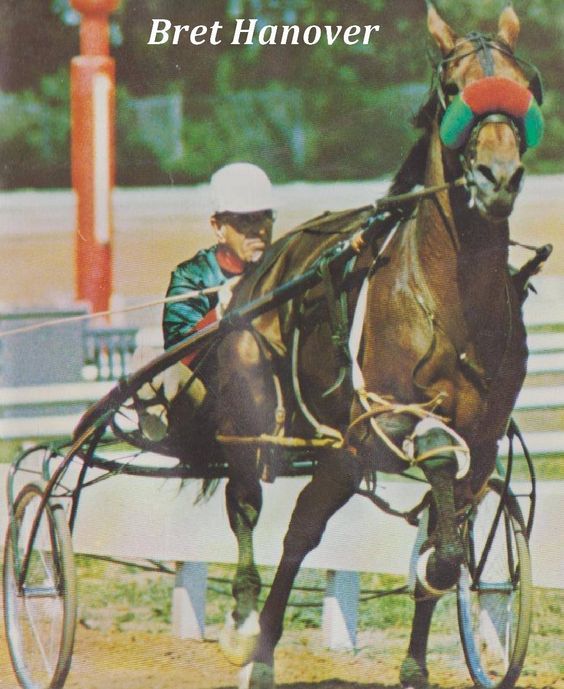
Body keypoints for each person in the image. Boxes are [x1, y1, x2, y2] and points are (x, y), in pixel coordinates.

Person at [135, 162, 276, 444]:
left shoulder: (282, 271)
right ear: (218, 227)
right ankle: (154, 418)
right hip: (207, 398)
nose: (257, 230)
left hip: (271, 397)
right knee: (147, 360)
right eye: (243, 221)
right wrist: (220, 311)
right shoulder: (192, 277)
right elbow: (179, 355)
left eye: (263, 218)